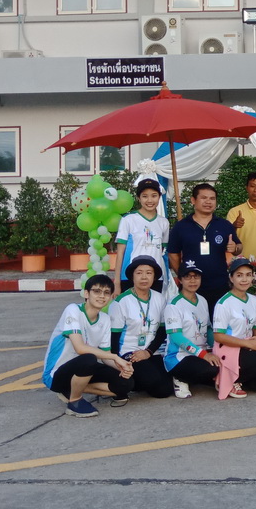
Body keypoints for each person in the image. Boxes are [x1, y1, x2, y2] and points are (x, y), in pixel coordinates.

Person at [42, 274, 133, 418]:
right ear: (86, 294)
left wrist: (121, 367)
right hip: (56, 374)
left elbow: (105, 356)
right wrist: (116, 357)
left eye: (106, 293)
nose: (101, 296)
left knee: (126, 384)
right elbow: (80, 348)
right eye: (96, 291)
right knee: (89, 358)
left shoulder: (105, 319)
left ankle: (72, 388)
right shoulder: (73, 310)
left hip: (83, 370)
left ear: (110, 297)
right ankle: (74, 401)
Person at [167, 183, 241, 315]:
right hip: (192, 287)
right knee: (193, 322)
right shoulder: (181, 227)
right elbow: (173, 254)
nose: (208, 202)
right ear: (193, 200)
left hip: (220, 285)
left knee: (219, 321)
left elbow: (239, 247)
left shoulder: (224, 225)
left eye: (212, 198)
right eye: (204, 198)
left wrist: (235, 248)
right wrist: (184, 276)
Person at [212, 258, 256, 397]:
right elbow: (218, 336)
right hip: (229, 349)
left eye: (248, 275)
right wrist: (247, 344)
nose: (244, 279)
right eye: (239, 275)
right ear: (231, 278)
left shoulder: (254, 300)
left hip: (247, 348)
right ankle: (227, 380)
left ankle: (238, 378)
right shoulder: (224, 303)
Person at [110, 256, 173, 400]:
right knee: (152, 380)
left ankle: (138, 380)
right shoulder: (121, 302)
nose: (144, 277)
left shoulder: (159, 299)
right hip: (129, 353)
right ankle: (125, 380)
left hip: (151, 351)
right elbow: (113, 337)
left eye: (149, 273)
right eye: (139, 273)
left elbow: (162, 331)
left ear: (154, 277)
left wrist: (148, 352)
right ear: (132, 276)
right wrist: (117, 364)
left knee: (164, 390)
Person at [163, 263, 219, 398]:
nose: (192, 280)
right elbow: (176, 337)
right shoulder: (173, 305)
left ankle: (195, 377)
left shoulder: (202, 300)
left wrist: (218, 348)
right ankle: (180, 377)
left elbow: (208, 328)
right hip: (179, 356)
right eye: (187, 277)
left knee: (223, 363)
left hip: (200, 353)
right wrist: (204, 355)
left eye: (196, 276)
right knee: (212, 369)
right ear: (180, 280)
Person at [113, 178, 169, 292]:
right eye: (145, 196)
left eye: (154, 196)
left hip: (155, 277)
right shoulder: (128, 220)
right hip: (130, 276)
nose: (150, 200)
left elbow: (163, 252)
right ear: (139, 198)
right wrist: (117, 282)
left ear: (159, 197)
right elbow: (120, 253)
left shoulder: (164, 222)